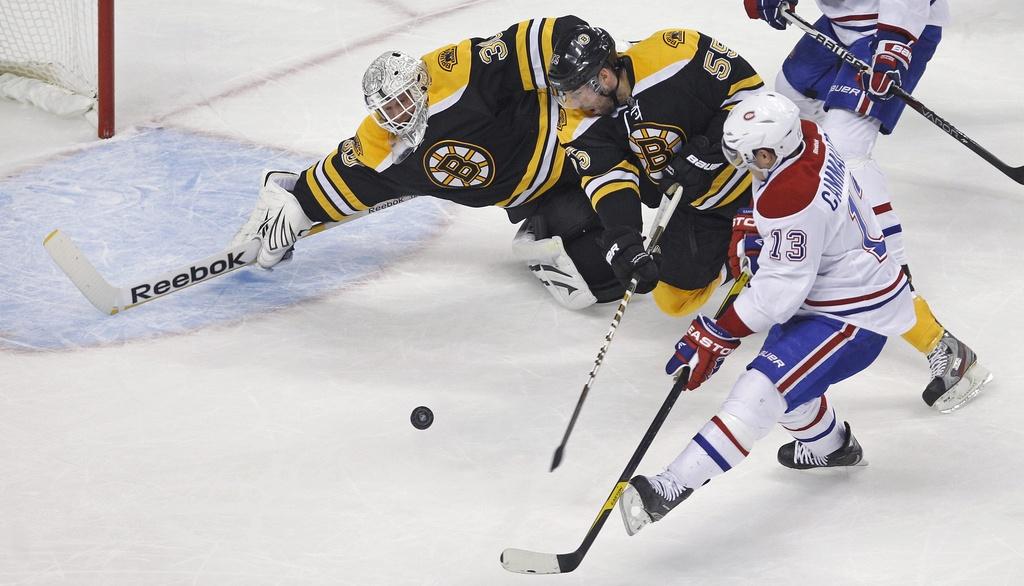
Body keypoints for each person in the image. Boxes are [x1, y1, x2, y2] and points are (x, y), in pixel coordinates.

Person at [617, 92, 915, 534]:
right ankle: (833, 448)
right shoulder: (807, 137)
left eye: (747, 157)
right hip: (831, 286)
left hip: (853, 315)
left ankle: (670, 487)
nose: (743, 167)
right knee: (791, 388)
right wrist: (758, 225)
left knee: (759, 390)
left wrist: (719, 333)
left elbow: (777, 295)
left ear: (768, 150)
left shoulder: (790, 196)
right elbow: (804, 223)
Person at [230, 16, 623, 311]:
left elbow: (540, 41)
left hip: (577, 144)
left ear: (422, 83)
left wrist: (577, 47)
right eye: (387, 108)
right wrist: (297, 203)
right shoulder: (385, 146)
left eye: (403, 100)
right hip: (542, 194)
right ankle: (542, 232)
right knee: (604, 277)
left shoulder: (462, 76)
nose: (398, 114)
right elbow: (346, 177)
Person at [738, 0, 991, 411]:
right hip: (842, 25)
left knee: (844, 151)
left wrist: (894, 44)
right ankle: (789, 236)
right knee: (781, 117)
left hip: (896, 25)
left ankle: (899, 287)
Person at [547, 24, 764, 316]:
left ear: (604, 77)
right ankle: (736, 261)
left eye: (576, 93)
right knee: (673, 299)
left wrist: (709, 150)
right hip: (699, 206)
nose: (572, 104)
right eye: (565, 95)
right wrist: (625, 238)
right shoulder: (577, 123)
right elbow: (608, 179)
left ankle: (769, 239)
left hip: (760, 176)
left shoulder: (676, 53)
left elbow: (750, 95)